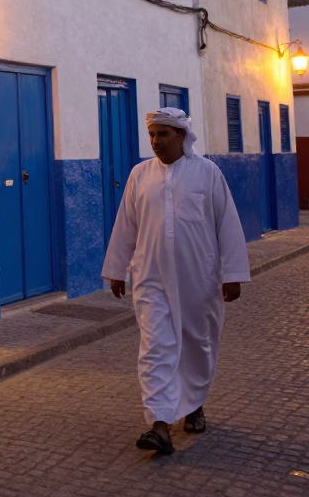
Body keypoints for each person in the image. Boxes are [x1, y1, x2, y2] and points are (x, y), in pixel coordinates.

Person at [102, 108, 250, 455]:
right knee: (156, 348)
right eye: (152, 135)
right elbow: (127, 225)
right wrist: (116, 267)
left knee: (197, 344)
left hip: (200, 277)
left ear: (181, 135)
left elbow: (226, 223)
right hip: (150, 276)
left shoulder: (207, 173)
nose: (155, 141)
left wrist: (233, 273)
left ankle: (194, 404)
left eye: (163, 134)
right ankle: (159, 424)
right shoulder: (140, 175)